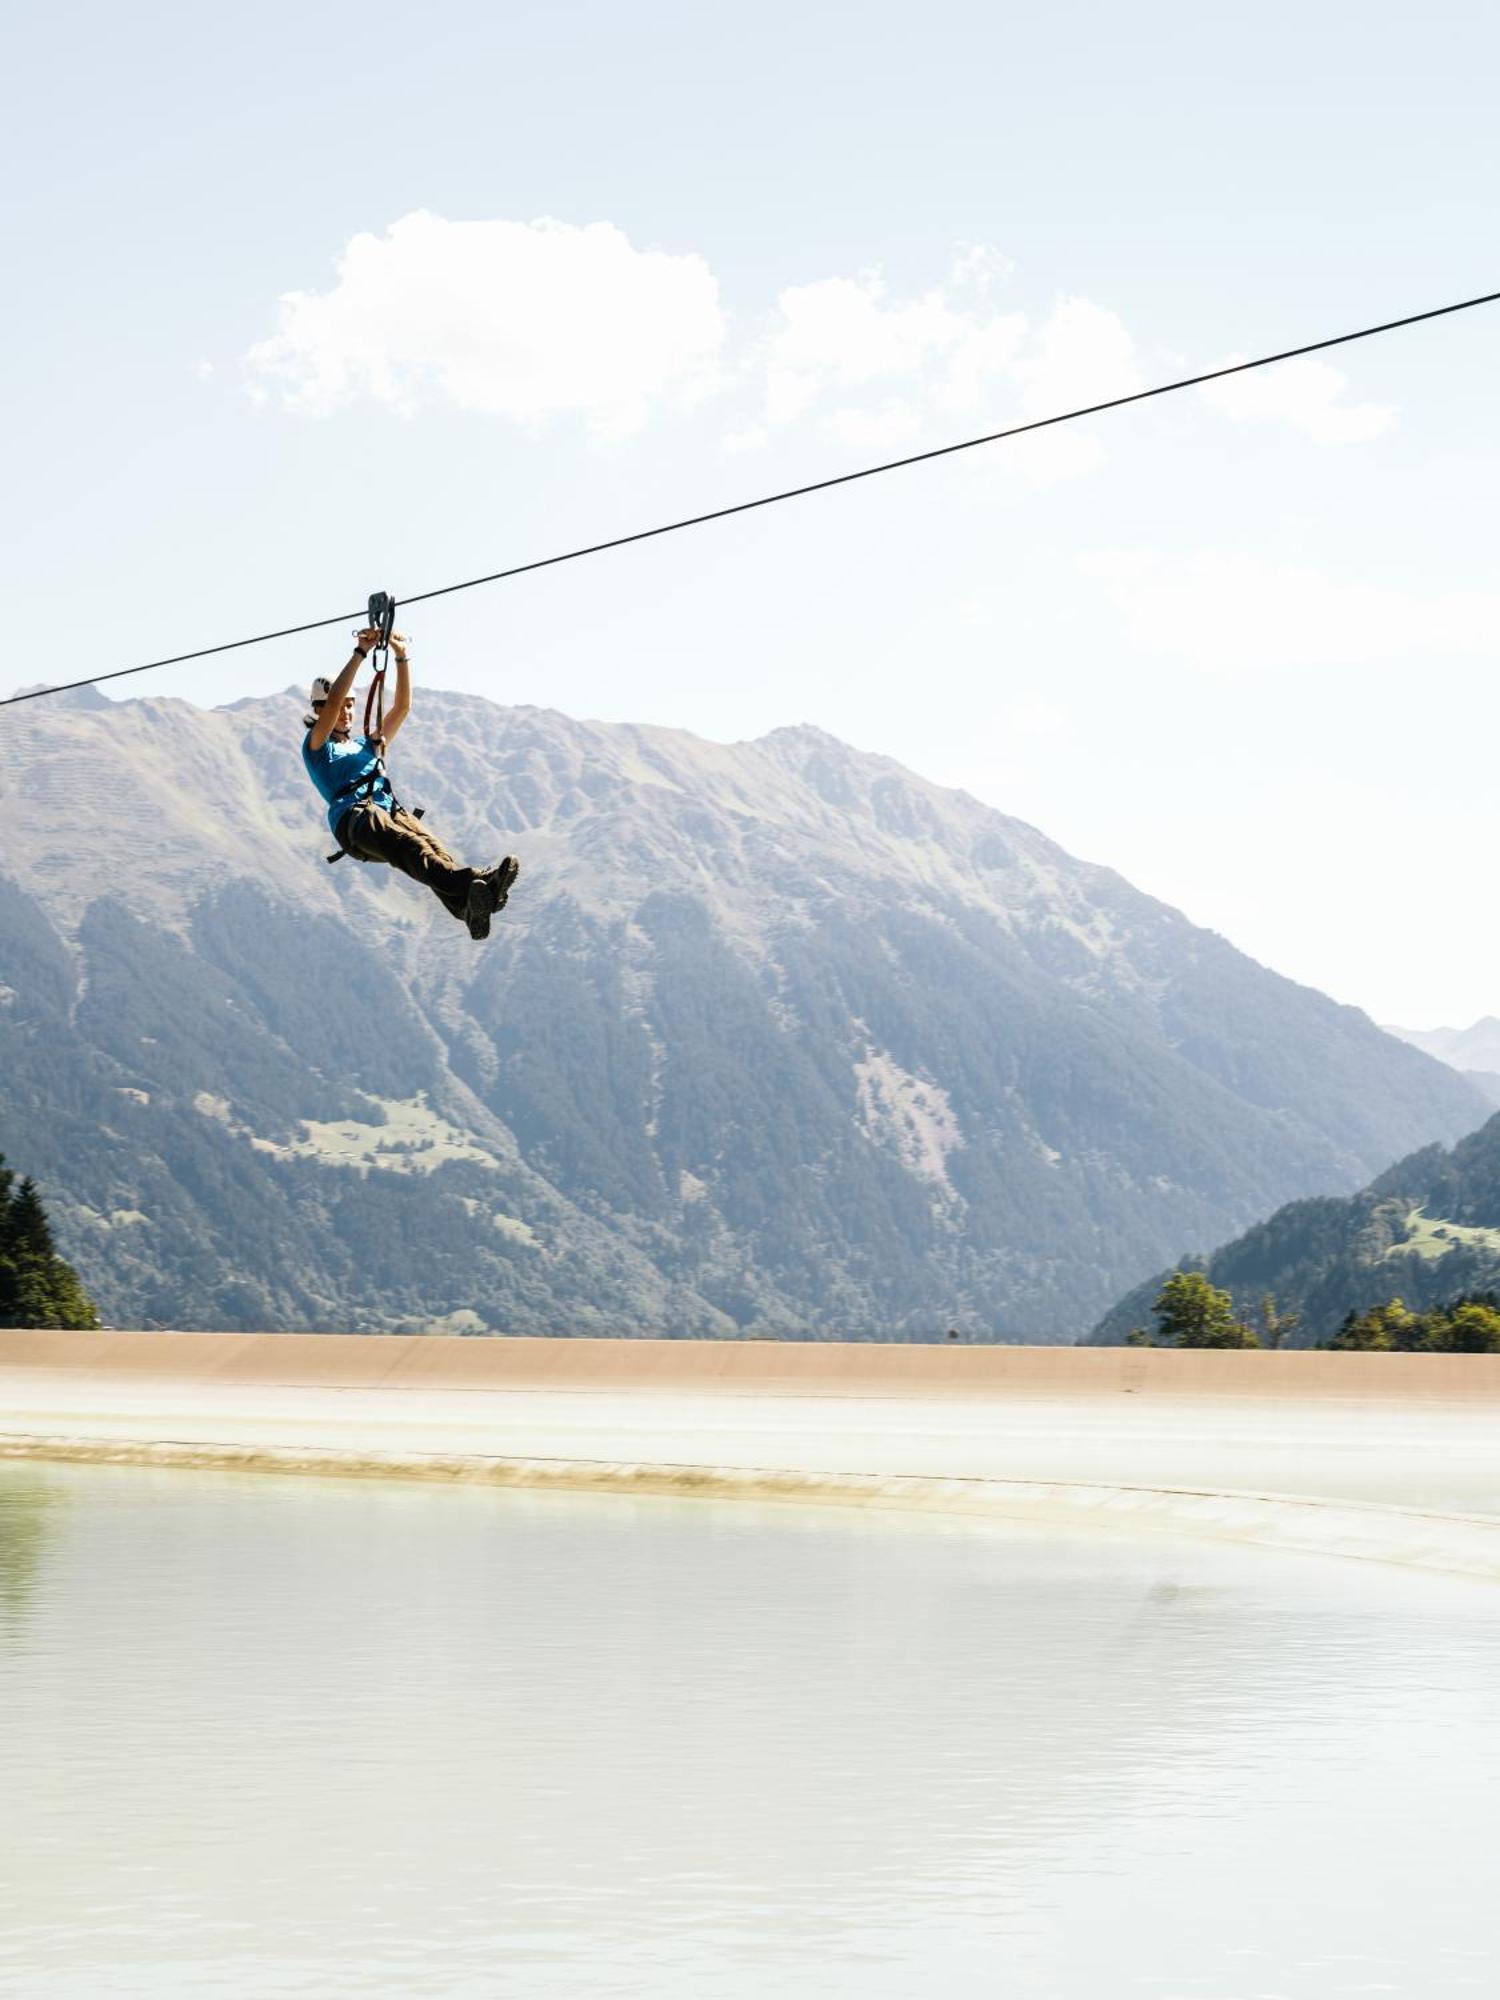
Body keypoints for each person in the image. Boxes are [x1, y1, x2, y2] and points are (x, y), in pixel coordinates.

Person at [302, 625, 518, 939]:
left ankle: (467, 909)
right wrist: (360, 652)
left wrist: (402, 656)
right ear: (319, 710)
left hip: (388, 812)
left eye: (351, 704)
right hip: (356, 819)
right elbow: (333, 702)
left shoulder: (367, 744)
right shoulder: (318, 746)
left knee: (435, 850)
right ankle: (477, 880)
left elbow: (402, 708)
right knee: (412, 848)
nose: (345, 711)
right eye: (339, 706)